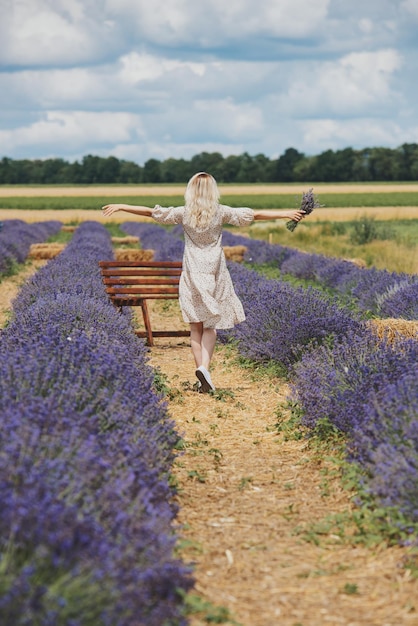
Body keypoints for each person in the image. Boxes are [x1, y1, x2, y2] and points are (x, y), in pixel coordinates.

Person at [102, 172, 305, 393]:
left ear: (191, 191)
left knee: (195, 327)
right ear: (212, 192)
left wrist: (122, 205)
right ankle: (204, 369)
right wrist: (285, 213)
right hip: (214, 272)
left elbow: (153, 212)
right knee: (211, 326)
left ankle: (201, 374)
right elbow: (253, 215)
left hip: (192, 272)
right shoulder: (220, 212)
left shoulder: (184, 213)